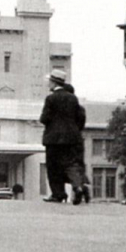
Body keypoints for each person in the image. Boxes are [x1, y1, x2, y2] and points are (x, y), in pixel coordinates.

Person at [40, 68, 86, 204]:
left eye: (50, 81)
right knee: (70, 164)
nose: (48, 84)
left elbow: (44, 118)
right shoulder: (73, 98)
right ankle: (77, 187)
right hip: (71, 138)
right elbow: (79, 118)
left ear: (54, 83)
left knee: (53, 166)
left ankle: (58, 194)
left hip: (53, 139)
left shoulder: (50, 98)